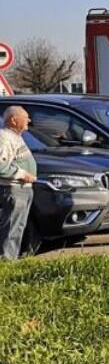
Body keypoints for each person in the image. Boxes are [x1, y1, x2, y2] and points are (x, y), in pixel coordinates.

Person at [0, 107, 38, 260]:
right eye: (25, 117)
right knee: (12, 227)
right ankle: (6, 261)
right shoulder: (4, 137)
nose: (28, 120)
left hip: (23, 188)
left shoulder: (16, 137)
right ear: (13, 120)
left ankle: (11, 258)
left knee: (18, 226)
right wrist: (22, 174)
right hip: (13, 188)